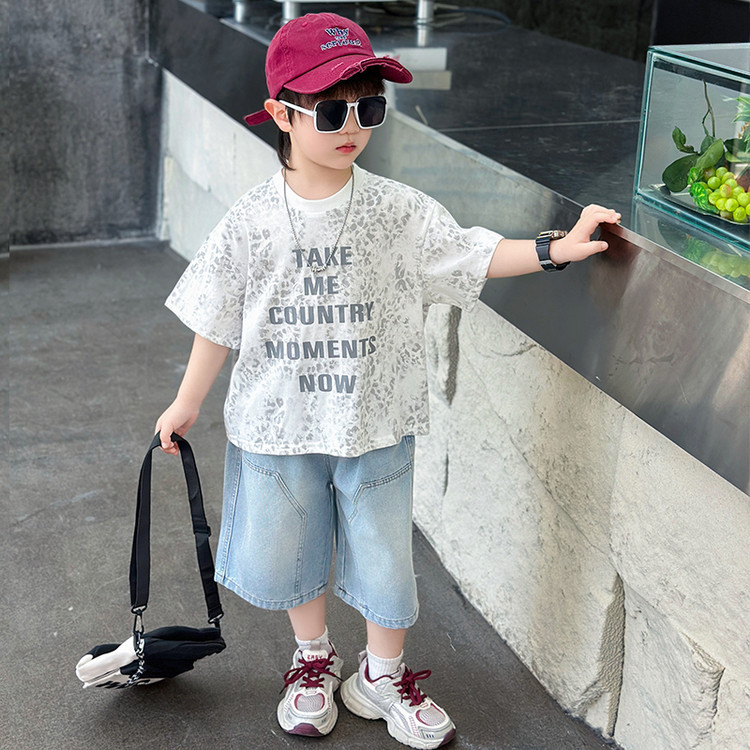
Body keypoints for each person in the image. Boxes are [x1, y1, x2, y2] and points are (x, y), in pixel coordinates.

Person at [155, 12, 620, 749]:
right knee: (294, 547)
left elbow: (468, 254)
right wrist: (187, 402)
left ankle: (381, 674)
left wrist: (556, 248)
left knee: (383, 554)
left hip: (375, 418)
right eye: (331, 111)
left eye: (368, 108)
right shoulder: (250, 222)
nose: (352, 127)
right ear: (281, 114)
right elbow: (217, 315)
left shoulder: (396, 210)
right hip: (279, 421)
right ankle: (313, 661)